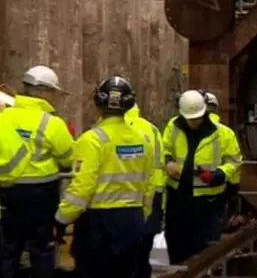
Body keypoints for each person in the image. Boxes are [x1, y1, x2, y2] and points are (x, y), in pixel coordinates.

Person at [53, 76, 155, 278]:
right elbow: (148, 184)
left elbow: (82, 188)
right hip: (132, 219)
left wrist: (61, 220)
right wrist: (141, 215)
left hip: (98, 224)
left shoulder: (92, 140)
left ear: (98, 104)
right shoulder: (144, 140)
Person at [0, 65, 75, 278]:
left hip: (6, 192)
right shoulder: (51, 123)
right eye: (52, 92)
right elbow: (68, 157)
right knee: (42, 249)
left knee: (9, 247)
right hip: (41, 194)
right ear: (43, 92)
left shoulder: (4, 116)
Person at [162, 90, 242, 264]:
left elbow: (235, 162)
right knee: (177, 248)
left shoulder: (223, 133)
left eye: (197, 118)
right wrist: (168, 161)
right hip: (178, 197)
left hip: (208, 201)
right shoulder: (173, 127)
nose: (193, 122)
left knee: (206, 250)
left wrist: (218, 174)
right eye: (190, 119)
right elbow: (164, 148)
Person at [126, 103, 165, 278]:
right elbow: (160, 161)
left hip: (118, 196)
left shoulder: (103, 129)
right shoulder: (152, 129)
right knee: (144, 250)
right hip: (151, 192)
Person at [199, 89, 242, 230]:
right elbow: (235, 164)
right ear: (215, 110)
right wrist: (233, 190)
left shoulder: (180, 130)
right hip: (217, 188)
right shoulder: (226, 133)